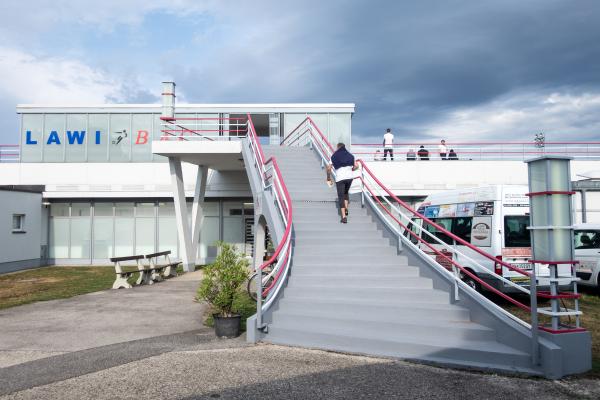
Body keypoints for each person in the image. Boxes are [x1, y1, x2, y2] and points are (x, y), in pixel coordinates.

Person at [327, 143, 358, 223]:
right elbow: (356, 166)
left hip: (340, 178)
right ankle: (346, 208)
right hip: (349, 178)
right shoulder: (350, 156)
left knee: (341, 196)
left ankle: (344, 217)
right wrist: (352, 170)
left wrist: (328, 177)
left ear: (338, 147)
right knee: (345, 193)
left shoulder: (334, 156)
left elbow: (329, 167)